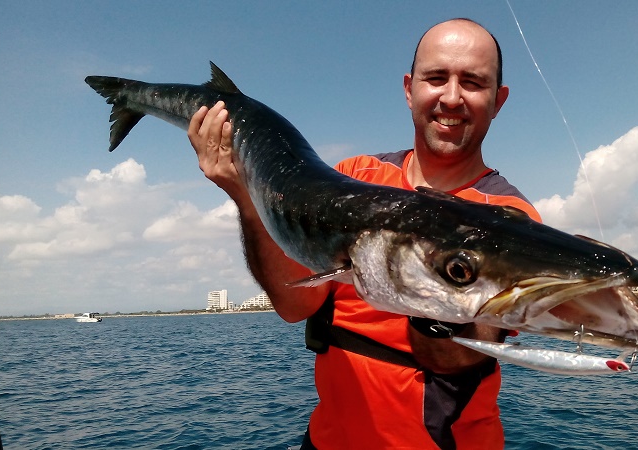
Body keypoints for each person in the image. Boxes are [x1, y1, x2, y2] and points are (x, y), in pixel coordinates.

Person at [188, 18, 541, 450]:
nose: (451, 97)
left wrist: (435, 267)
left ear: (498, 100)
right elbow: (296, 303)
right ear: (409, 89)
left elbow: (457, 359)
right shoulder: (352, 177)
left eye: (472, 82)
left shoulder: (510, 221)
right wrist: (245, 197)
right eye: (436, 78)